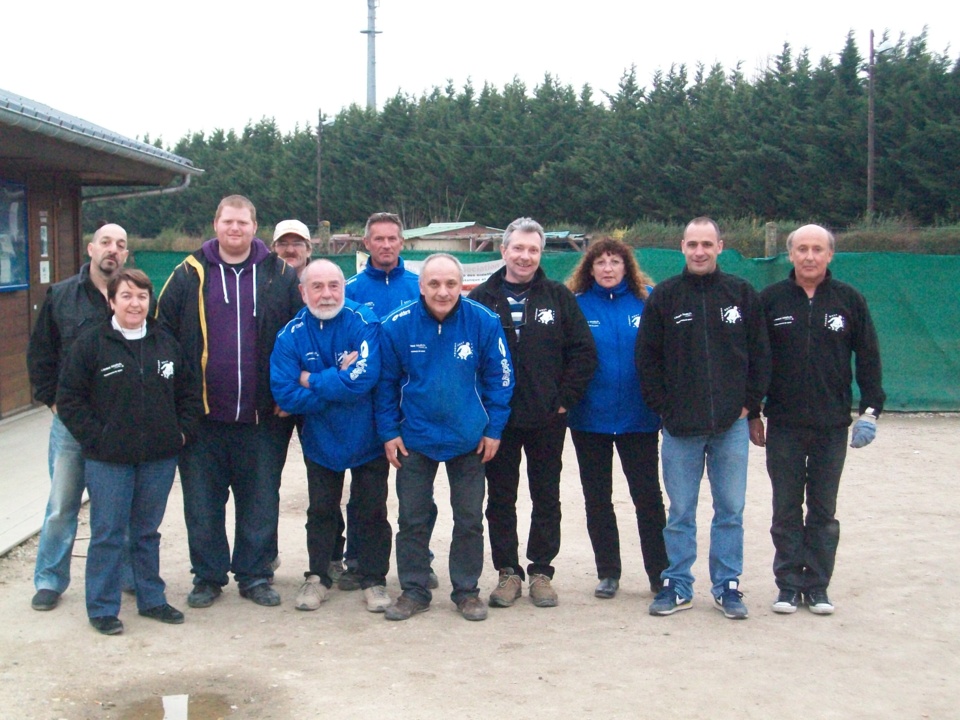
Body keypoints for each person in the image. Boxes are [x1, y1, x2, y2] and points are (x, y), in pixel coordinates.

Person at [156, 195, 302, 609]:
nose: (235, 229)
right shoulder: (188, 274)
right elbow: (163, 333)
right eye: (228, 222)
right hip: (201, 419)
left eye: (243, 222)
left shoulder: (279, 274)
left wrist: (287, 393)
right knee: (203, 503)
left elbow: (298, 336)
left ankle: (255, 575)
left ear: (256, 227)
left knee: (260, 500)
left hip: (261, 418)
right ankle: (208, 576)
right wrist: (177, 401)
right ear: (215, 224)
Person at [56, 269, 203, 635]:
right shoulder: (91, 343)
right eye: (126, 296)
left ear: (149, 301)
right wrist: (98, 439)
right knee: (107, 532)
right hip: (108, 460)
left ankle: (151, 598)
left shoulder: (165, 343)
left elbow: (188, 392)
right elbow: (70, 399)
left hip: (158, 456)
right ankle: (103, 607)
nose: (134, 303)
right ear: (111, 301)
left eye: (141, 296)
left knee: (146, 532)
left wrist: (181, 433)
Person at [637, 217, 770, 620]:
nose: (699, 251)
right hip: (680, 429)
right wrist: (665, 408)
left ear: (720, 246)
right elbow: (647, 359)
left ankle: (727, 586)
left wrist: (749, 405)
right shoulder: (665, 297)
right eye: (692, 244)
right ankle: (677, 584)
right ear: (682, 247)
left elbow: (760, 355)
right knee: (680, 512)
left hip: (730, 426)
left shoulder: (741, 294)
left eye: (707, 244)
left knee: (730, 510)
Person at [749, 224, 885, 615]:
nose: (809, 256)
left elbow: (869, 358)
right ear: (790, 255)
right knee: (786, 509)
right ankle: (788, 586)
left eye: (818, 249)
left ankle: (818, 586)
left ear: (830, 255)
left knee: (823, 510)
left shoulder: (849, 301)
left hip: (832, 426)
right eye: (802, 249)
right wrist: (754, 411)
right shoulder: (771, 300)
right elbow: (756, 361)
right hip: (784, 426)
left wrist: (870, 410)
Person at [376, 254, 514, 621]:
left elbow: (500, 379)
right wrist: (389, 431)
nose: (442, 291)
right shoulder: (396, 325)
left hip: (468, 439)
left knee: (469, 518)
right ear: (420, 286)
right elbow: (385, 385)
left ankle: (467, 592)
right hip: (415, 438)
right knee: (412, 517)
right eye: (434, 284)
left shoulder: (483, 322)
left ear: (461, 285)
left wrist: (493, 428)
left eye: (450, 284)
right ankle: (415, 590)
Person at [468, 217, 596, 608]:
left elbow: (583, 353)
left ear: (541, 253)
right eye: (518, 248)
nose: (525, 256)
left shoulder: (558, 297)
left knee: (546, 496)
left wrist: (563, 399)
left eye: (533, 250)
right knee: (501, 498)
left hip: (546, 419)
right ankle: (508, 572)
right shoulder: (480, 299)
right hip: (498, 422)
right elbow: (468, 358)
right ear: (503, 250)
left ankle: (542, 570)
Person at [271, 260, 393, 613]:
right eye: (318, 286)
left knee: (371, 510)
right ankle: (318, 577)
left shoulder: (365, 323)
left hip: (367, 437)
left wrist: (310, 379)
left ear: (344, 287)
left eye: (334, 286)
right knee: (321, 509)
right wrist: (337, 378)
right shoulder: (290, 335)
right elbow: (285, 395)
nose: (326, 294)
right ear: (303, 291)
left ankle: (374, 579)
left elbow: (364, 379)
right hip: (320, 440)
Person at [26, 223, 131, 612]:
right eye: (106, 242)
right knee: (62, 505)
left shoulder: (133, 295)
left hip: (119, 421)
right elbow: (40, 357)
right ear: (90, 248)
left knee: (118, 505)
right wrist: (55, 404)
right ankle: (50, 579)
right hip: (71, 422)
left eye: (120, 245)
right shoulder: (62, 296)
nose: (113, 250)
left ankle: (125, 576)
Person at [565, 237, 668, 600]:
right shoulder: (575, 305)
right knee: (598, 498)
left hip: (639, 419)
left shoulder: (649, 300)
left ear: (627, 267)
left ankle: (659, 573)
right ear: (589, 269)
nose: (608, 269)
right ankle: (608, 572)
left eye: (615, 262)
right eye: (600, 262)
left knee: (648, 499)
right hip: (589, 419)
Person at [343, 211, 438, 592]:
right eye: (377, 239)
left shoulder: (421, 287)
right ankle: (358, 560)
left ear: (402, 243)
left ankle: (421, 560)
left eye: (392, 239)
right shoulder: (348, 289)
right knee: (366, 492)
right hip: (364, 408)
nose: (385, 245)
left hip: (413, 406)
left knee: (418, 495)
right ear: (365, 244)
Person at [267, 219, 341, 581]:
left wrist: (310, 385)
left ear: (309, 248)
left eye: (298, 243)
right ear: (274, 247)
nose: (290, 249)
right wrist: (283, 393)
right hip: (280, 400)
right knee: (266, 482)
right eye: (284, 243)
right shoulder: (262, 282)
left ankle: (333, 556)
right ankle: (264, 556)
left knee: (328, 478)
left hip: (316, 398)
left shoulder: (325, 283)